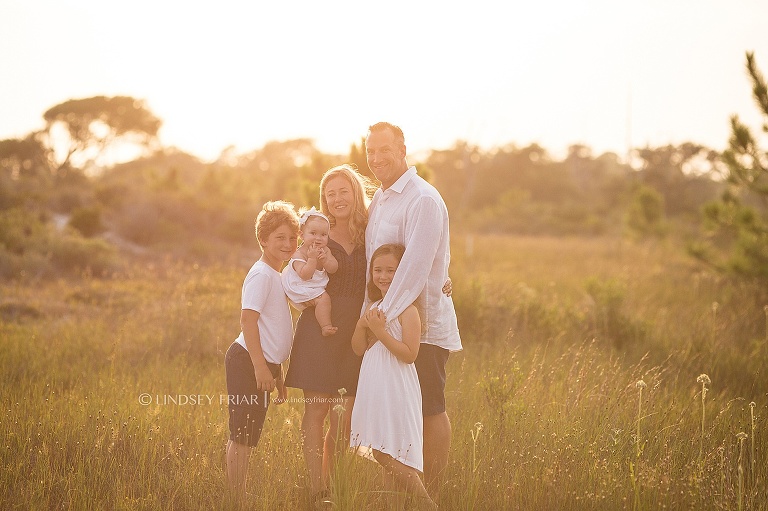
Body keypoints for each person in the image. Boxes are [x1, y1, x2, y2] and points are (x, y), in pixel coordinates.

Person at [364, 121, 463, 500]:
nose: (376, 159)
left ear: (402, 149)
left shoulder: (423, 198)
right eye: (370, 152)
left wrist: (379, 320)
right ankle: (404, 492)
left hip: (421, 327)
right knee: (398, 410)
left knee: (429, 407)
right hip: (386, 325)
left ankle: (431, 494)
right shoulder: (382, 198)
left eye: (384, 150)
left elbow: (415, 269)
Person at [284, 164, 373, 508]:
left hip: (357, 333)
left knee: (345, 414)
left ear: (355, 193)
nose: (337, 199)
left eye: (343, 191)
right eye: (330, 193)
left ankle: (335, 485)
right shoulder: (317, 235)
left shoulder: (370, 232)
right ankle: (316, 489)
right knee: (318, 412)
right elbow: (294, 274)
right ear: (324, 199)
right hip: (320, 331)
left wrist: (441, 279)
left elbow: (394, 263)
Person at [350, 243, 437, 510]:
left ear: (403, 273)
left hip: (396, 384)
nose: (383, 276)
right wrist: (362, 324)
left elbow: (410, 354)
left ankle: (427, 504)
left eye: (391, 270)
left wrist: (381, 331)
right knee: (385, 451)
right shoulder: (374, 306)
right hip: (374, 384)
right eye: (378, 270)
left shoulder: (408, 310)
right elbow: (359, 348)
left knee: (386, 451)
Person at [224, 200, 300, 506]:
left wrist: (277, 372)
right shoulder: (261, 274)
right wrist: (259, 367)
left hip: (263, 364)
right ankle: (236, 499)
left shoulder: (277, 275)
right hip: (246, 362)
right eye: (280, 237)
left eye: (293, 238)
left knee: (250, 433)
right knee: (242, 433)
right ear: (263, 240)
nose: (288, 244)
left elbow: (272, 329)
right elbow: (249, 320)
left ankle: (238, 494)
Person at [282, 207, 339, 336]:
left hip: (313, 285)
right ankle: (326, 325)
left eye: (323, 235)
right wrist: (312, 259)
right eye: (313, 233)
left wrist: (326, 260)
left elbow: (334, 268)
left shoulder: (325, 250)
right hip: (298, 286)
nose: (318, 238)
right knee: (324, 298)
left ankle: (323, 324)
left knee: (323, 299)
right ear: (302, 235)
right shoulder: (299, 254)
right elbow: (305, 275)